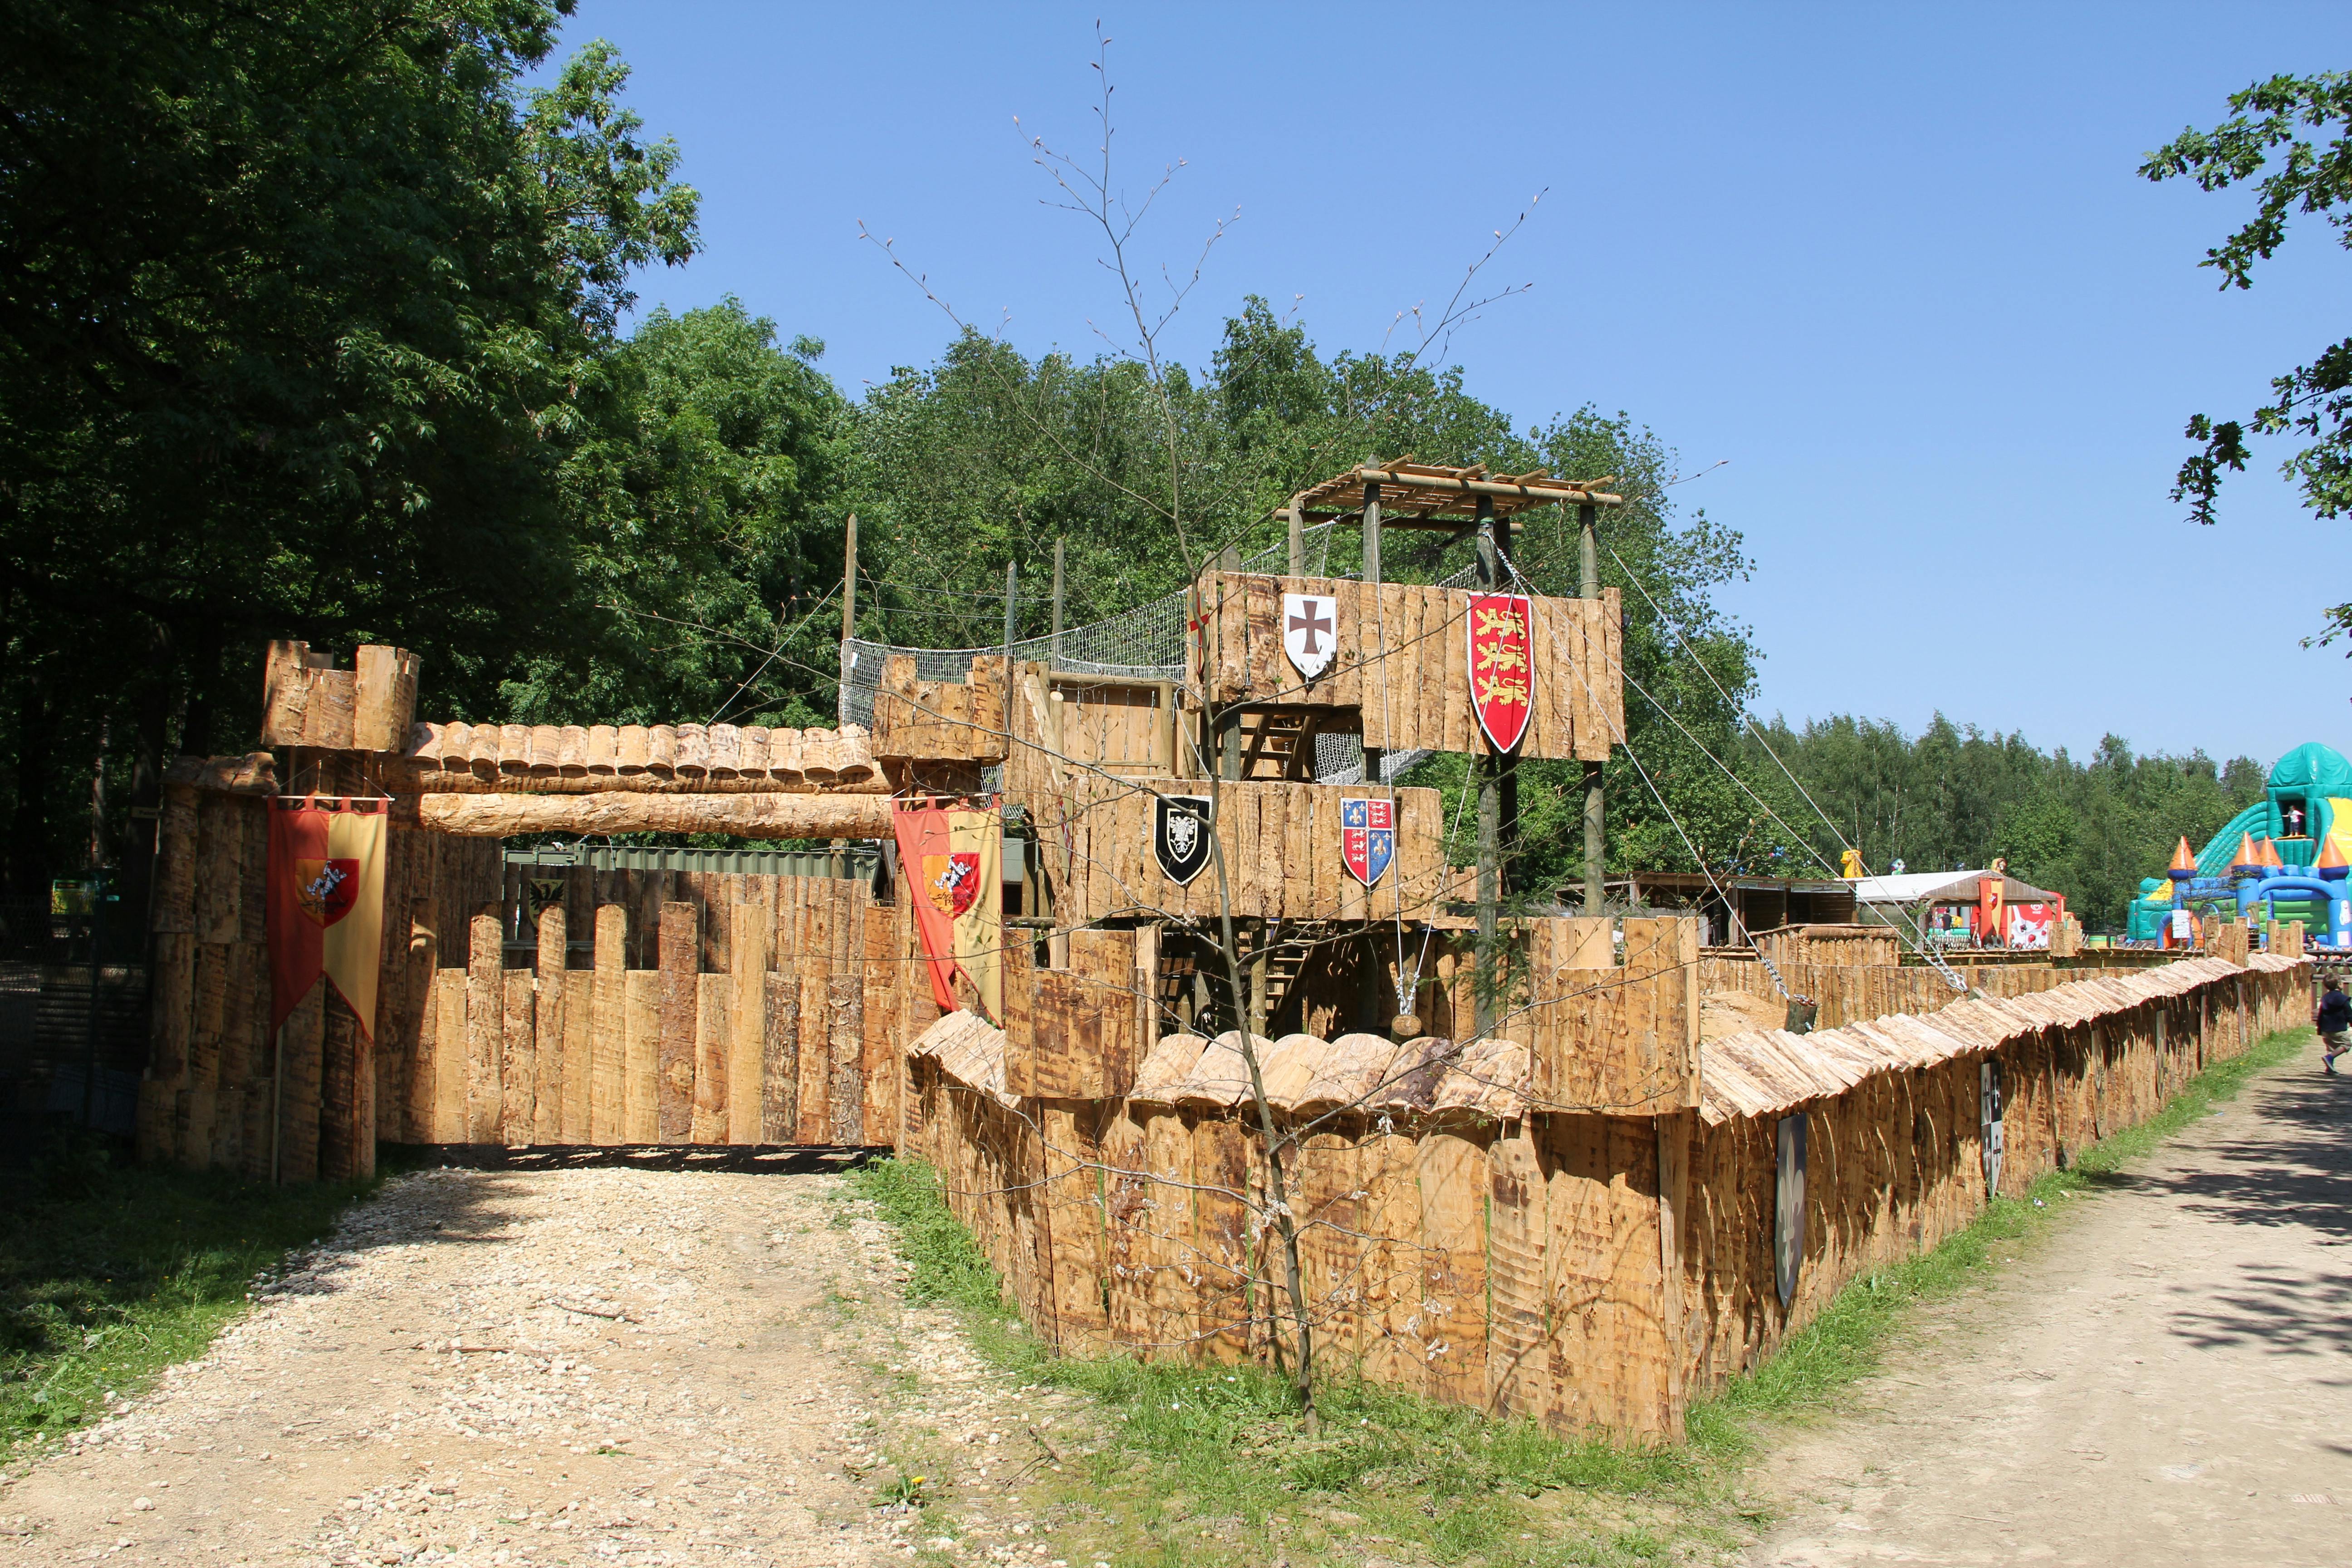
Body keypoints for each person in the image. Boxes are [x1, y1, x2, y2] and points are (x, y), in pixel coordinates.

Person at [2317, 978, 2352, 1073]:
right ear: (2340, 985)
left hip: (2326, 1029)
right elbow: (2349, 1014)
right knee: (2346, 1045)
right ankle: (2330, 1058)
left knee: (2331, 1048)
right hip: (2339, 1029)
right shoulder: (2344, 999)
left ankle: (2329, 1069)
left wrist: (2320, 1029)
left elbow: (2321, 1014)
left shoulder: (2325, 998)